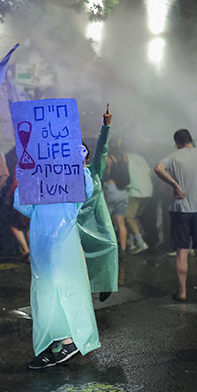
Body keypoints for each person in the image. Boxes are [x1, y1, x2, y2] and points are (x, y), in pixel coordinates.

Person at [15, 152, 101, 370]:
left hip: (59, 254)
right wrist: (23, 178)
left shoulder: (66, 196)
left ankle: (67, 341)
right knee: (48, 297)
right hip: (46, 254)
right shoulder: (49, 195)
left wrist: (80, 165)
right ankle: (58, 341)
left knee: (59, 294)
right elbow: (22, 204)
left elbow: (87, 190)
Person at [154, 129, 197, 301]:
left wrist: (175, 185)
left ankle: (182, 292)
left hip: (180, 210)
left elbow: (158, 168)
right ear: (191, 139)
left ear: (177, 142)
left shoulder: (174, 156)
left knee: (182, 252)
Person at [77, 105, 119, 301]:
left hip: (97, 221)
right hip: (77, 224)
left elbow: (102, 150)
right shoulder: (68, 177)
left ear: (87, 155)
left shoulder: (93, 172)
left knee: (111, 245)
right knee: (78, 259)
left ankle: (105, 284)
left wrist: (106, 126)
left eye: (84, 151)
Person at [125, 148, 153, 255]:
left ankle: (141, 243)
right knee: (134, 216)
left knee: (128, 217)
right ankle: (132, 243)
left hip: (134, 191)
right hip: (147, 191)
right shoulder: (140, 157)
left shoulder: (124, 157)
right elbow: (149, 173)